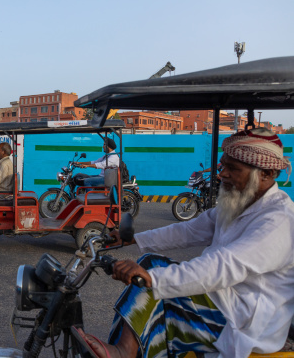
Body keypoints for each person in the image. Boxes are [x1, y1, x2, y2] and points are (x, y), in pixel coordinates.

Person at [74, 128, 294, 358]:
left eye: (233, 169)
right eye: (223, 166)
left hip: (246, 322)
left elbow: (225, 265)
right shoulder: (241, 203)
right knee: (150, 266)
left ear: (266, 173)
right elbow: (189, 230)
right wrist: (135, 239)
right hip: (223, 301)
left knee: (151, 275)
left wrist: (156, 278)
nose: (223, 174)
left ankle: (122, 352)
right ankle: (123, 349)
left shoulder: (279, 220)